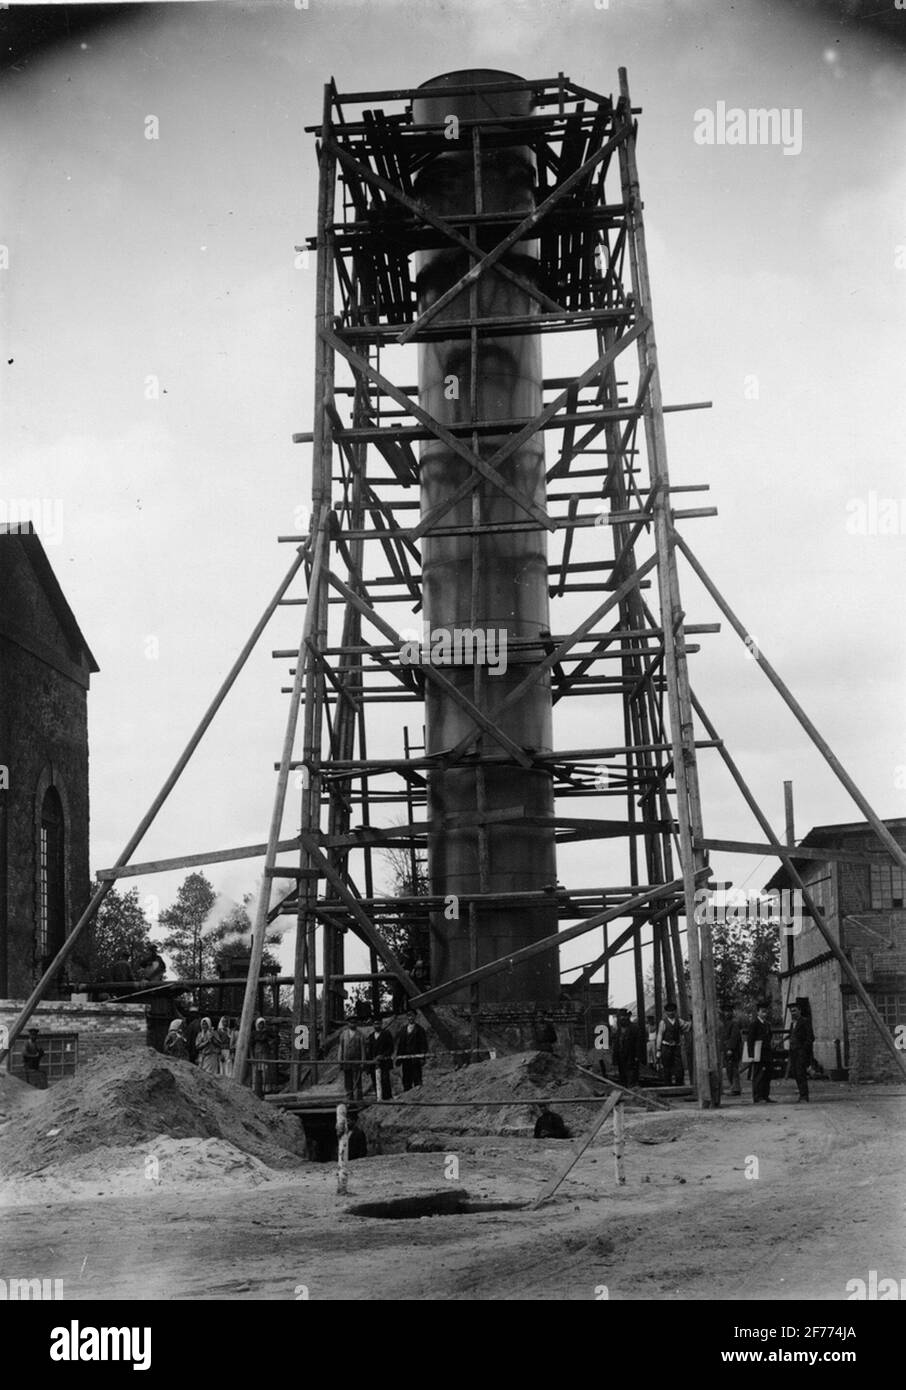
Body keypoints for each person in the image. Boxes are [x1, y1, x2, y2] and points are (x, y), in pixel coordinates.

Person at [656, 1000, 692, 1085]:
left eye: (672, 1011)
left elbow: (687, 1026)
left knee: (679, 1066)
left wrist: (692, 1020)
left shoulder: (679, 1021)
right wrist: (658, 1049)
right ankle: (667, 1085)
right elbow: (660, 1035)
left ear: (675, 1011)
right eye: (669, 1011)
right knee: (666, 1067)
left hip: (676, 1047)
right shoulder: (663, 1022)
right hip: (666, 1047)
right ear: (666, 1012)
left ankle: (679, 1084)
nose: (671, 1013)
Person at [748, 1001, 774, 1104]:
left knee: (767, 1075)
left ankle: (765, 1095)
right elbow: (750, 1040)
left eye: (766, 1012)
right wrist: (751, 1055)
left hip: (767, 1053)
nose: (764, 1014)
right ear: (758, 1012)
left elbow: (770, 1036)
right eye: (762, 1012)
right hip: (758, 1053)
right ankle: (757, 1096)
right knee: (759, 1075)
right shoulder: (754, 1024)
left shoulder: (767, 1024)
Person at [395, 1009, 428, 1091]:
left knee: (416, 1075)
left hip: (416, 1057)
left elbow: (423, 1044)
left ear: (415, 1016)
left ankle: (418, 1092)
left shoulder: (420, 1029)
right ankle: (407, 1092)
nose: (410, 1018)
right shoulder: (403, 1030)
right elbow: (401, 1044)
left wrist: (422, 1057)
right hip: (406, 1058)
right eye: (408, 1016)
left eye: (412, 1016)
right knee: (406, 1076)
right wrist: (399, 1058)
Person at [788, 1003, 814, 1102]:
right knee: (795, 1073)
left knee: (801, 1073)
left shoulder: (805, 1022)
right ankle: (801, 1094)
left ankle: (804, 1096)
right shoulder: (792, 1023)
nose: (793, 1013)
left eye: (794, 1011)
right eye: (791, 1011)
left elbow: (810, 1037)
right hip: (793, 1052)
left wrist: (803, 1048)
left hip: (801, 1052)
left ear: (799, 1011)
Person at [365, 1015, 394, 1100]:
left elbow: (391, 1048)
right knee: (375, 1079)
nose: (376, 1026)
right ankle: (378, 1097)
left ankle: (387, 1097)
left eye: (378, 1024)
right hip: (374, 1063)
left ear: (381, 1024)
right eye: (375, 1024)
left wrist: (383, 1055)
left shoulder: (386, 1034)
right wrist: (369, 1061)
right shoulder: (371, 1036)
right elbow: (369, 1050)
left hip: (384, 1062)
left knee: (385, 1079)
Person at [338, 1015, 367, 1101]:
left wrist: (363, 1061)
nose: (353, 1024)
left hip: (357, 1061)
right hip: (346, 1061)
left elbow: (363, 1049)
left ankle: (359, 1099)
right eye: (351, 1022)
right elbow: (341, 1048)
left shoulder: (360, 1034)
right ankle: (349, 1098)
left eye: (354, 1022)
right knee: (348, 1081)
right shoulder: (343, 1034)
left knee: (357, 1080)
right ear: (348, 1023)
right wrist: (340, 1061)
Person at [612, 1009, 641, 1088]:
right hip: (620, 1056)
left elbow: (638, 1043)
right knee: (622, 1074)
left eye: (624, 1017)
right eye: (621, 1017)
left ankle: (631, 1088)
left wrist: (637, 1056)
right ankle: (624, 1089)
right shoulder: (618, 1030)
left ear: (628, 1017)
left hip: (631, 1055)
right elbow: (616, 1044)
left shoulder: (634, 1028)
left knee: (631, 1074)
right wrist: (615, 1058)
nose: (623, 1018)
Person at [250, 1016, 275, 1097]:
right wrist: (252, 1056)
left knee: (265, 1071)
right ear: (257, 1024)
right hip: (257, 1053)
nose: (261, 1025)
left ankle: (265, 1089)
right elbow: (251, 1045)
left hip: (264, 1053)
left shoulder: (266, 1033)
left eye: (262, 1024)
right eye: (260, 1024)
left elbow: (272, 1039)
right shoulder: (254, 1033)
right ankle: (256, 1088)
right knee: (256, 1071)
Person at [720, 1008, 743, 1096]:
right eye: (725, 1011)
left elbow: (734, 1037)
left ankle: (736, 1088)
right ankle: (733, 1087)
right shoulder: (725, 1024)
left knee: (733, 1069)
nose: (726, 1013)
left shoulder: (734, 1024)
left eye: (728, 1012)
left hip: (732, 1051)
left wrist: (730, 1048)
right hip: (726, 1049)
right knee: (729, 1069)